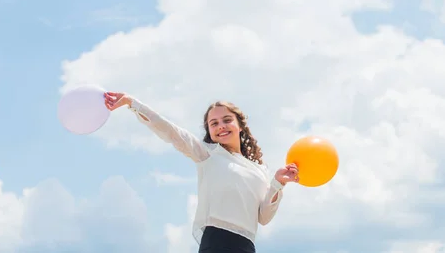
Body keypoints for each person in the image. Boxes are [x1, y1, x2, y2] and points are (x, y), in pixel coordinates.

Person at [104, 91, 299, 253]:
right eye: (214, 123)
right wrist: (132, 103)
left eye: (226, 120)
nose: (221, 126)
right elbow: (170, 131)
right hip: (216, 242)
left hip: (246, 245)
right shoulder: (207, 154)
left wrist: (277, 183)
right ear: (210, 131)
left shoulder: (261, 171)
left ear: (240, 126)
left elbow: (264, 218)